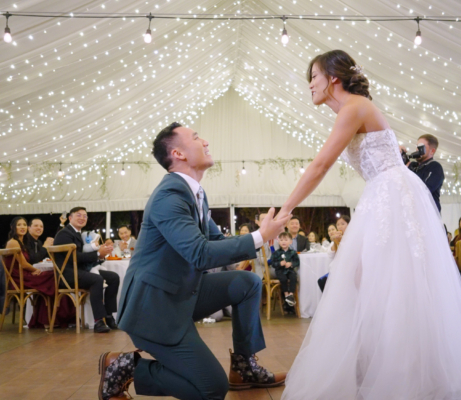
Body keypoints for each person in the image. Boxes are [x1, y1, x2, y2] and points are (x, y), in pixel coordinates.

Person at [276, 49, 461, 399]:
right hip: (384, 193)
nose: (310, 85)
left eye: (313, 76)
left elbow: (320, 166)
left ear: (333, 77)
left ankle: (407, 371)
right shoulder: (356, 109)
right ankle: (380, 363)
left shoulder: (354, 107)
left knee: (388, 281)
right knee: (370, 280)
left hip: (390, 195)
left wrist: (284, 210)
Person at [97, 122, 289, 400]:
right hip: (153, 309)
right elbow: (200, 253)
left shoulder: (196, 193)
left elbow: (215, 243)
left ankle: (244, 366)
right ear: (179, 153)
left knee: (247, 283)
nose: (206, 141)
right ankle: (126, 366)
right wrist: (259, 237)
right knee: (212, 388)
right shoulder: (169, 195)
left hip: (180, 293)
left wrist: (260, 236)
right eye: (197, 138)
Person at [53, 207, 118, 333]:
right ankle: (98, 321)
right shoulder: (64, 234)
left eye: (85, 216)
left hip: (81, 271)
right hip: (67, 274)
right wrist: (97, 254)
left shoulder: (80, 234)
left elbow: (84, 256)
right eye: (79, 215)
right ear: (70, 218)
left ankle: (109, 316)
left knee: (113, 277)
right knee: (96, 279)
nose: (82, 218)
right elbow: (73, 257)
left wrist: (101, 254)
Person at [4, 217, 74, 328]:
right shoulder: (13, 242)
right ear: (12, 227)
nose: (22, 227)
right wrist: (36, 270)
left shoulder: (22, 242)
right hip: (18, 279)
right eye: (19, 225)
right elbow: (23, 264)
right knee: (54, 277)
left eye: (23, 224)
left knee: (55, 277)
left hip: (25, 275)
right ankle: (51, 319)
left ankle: (55, 318)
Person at [401, 134, 445, 213]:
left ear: (432, 151)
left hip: (428, 215)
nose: (417, 149)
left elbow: (424, 189)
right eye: (417, 146)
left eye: (421, 146)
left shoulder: (435, 167)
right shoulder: (413, 166)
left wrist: (409, 166)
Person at [271, 232, 300, 307]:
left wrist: (291, 264)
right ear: (278, 241)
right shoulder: (276, 253)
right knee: (283, 279)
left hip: (289, 270)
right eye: (281, 240)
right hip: (280, 271)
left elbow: (297, 262)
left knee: (293, 277)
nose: (283, 242)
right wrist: (279, 264)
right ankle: (286, 294)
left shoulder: (293, 252)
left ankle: (291, 294)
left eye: (286, 240)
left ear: (290, 241)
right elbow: (273, 263)